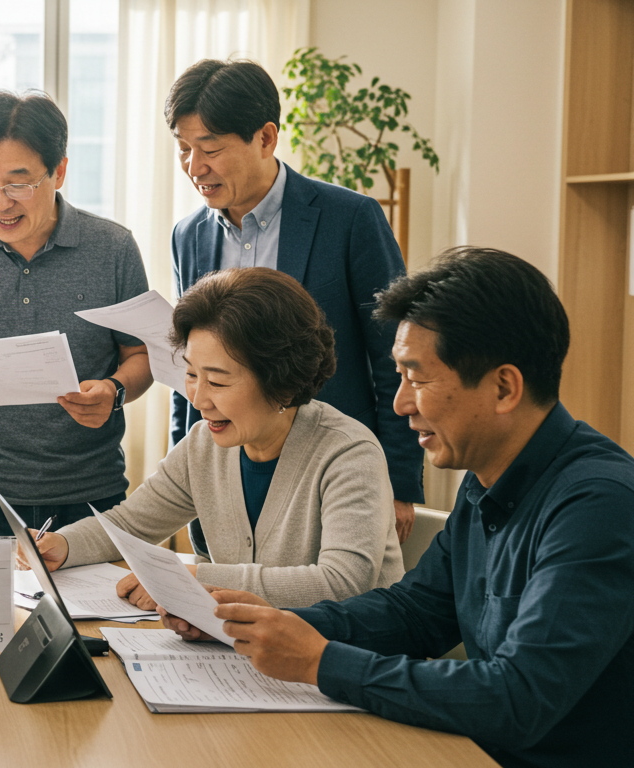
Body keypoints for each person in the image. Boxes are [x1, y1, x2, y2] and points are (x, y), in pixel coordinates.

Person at [189, 249, 634, 768]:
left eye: (417, 379)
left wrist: (321, 662)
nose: (400, 403)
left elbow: (517, 697)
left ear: (504, 387)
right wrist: (264, 625)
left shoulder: (597, 505)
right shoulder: (487, 480)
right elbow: (416, 613)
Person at [165, 59, 423, 547]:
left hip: (330, 468)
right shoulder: (189, 235)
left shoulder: (350, 219)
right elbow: (189, 366)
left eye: (211, 149)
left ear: (265, 138)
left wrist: (399, 480)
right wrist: (189, 471)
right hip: (227, 476)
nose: (195, 168)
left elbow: (396, 357)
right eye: (183, 149)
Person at [36, 268, 403, 608]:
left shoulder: (348, 452)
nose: (198, 399)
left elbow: (345, 583)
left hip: (346, 663)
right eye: (192, 375)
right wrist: (64, 544)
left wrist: (198, 579)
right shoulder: (203, 445)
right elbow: (131, 524)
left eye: (218, 381)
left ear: (283, 383)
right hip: (250, 655)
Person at [0, 90, 153, 537]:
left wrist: (114, 391)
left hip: (92, 493)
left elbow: (141, 355)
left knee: (95, 611)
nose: (0, 202)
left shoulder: (113, 249)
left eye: (18, 183)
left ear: (59, 171)